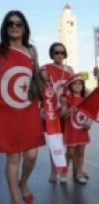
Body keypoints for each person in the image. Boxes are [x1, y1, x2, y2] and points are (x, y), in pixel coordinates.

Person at [0, 10, 45, 204]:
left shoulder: (32, 51)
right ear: (5, 27)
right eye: (10, 23)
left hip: (28, 107)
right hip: (6, 109)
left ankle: (23, 182)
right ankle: (14, 200)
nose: (14, 26)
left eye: (18, 23)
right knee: (13, 158)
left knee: (31, 155)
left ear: (24, 27)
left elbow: (34, 79)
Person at [41, 42, 74, 183]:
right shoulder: (46, 68)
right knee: (55, 141)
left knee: (69, 142)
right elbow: (40, 80)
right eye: (56, 52)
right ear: (52, 54)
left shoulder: (70, 69)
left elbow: (73, 87)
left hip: (67, 109)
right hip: (52, 110)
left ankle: (64, 169)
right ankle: (54, 170)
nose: (59, 55)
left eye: (62, 52)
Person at [60, 74, 90, 184]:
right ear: (70, 86)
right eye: (75, 84)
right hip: (71, 131)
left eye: (80, 83)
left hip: (82, 130)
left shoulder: (86, 99)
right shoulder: (66, 99)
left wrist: (88, 124)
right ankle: (64, 171)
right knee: (70, 153)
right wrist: (69, 110)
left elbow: (90, 114)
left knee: (81, 152)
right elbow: (62, 114)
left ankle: (79, 172)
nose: (78, 86)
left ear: (83, 86)